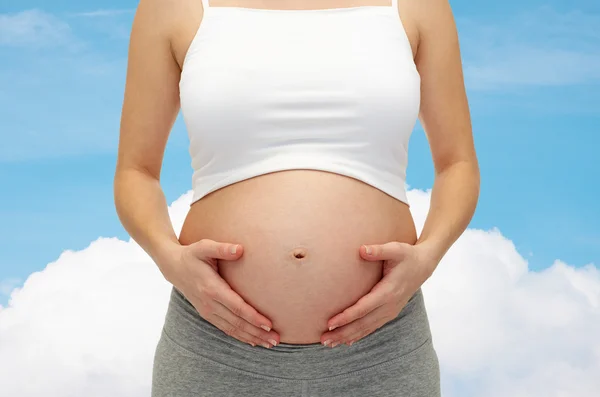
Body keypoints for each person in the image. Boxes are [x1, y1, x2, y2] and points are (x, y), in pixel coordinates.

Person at [113, 0, 479, 395]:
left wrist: (427, 258)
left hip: (381, 348)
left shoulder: (418, 7)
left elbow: (457, 164)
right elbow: (136, 172)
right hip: (215, 346)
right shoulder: (171, 7)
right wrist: (170, 260)